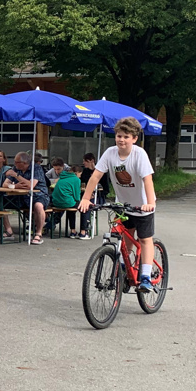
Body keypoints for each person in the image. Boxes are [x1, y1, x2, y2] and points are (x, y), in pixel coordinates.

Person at [79, 117, 157, 292]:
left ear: (134, 139)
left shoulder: (139, 155)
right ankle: (123, 267)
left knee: (145, 239)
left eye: (126, 136)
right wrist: (86, 198)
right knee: (125, 237)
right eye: (119, 136)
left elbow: (148, 180)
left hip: (142, 205)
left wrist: (150, 203)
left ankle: (145, 276)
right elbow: (96, 176)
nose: (121, 139)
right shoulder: (110, 153)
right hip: (123, 205)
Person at [4, 151, 50, 245]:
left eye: (17, 162)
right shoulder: (15, 168)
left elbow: (30, 185)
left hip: (38, 195)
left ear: (25, 163)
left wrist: (16, 176)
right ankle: (9, 231)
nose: (14, 164)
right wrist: (16, 186)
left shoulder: (36, 168)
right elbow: (4, 184)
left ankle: (38, 233)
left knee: (38, 206)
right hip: (20, 196)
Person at [78, 152, 109, 238]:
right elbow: (82, 183)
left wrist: (96, 193)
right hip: (84, 195)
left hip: (98, 197)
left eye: (86, 161)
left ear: (92, 161)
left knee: (86, 206)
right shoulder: (85, 172)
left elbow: (106, 190)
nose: (84, 163)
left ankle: (84, 231)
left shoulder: (101, 173)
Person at [50, 160, 83, 237]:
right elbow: (76, 195)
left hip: (56, 202)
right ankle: (77, 230)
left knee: (70, 206)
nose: (80, 176)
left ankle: (72, 230)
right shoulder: (76, 179)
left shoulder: (61, 178)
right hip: (67, 202)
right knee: (78, 206)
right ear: (77, 173)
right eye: (80, 174)